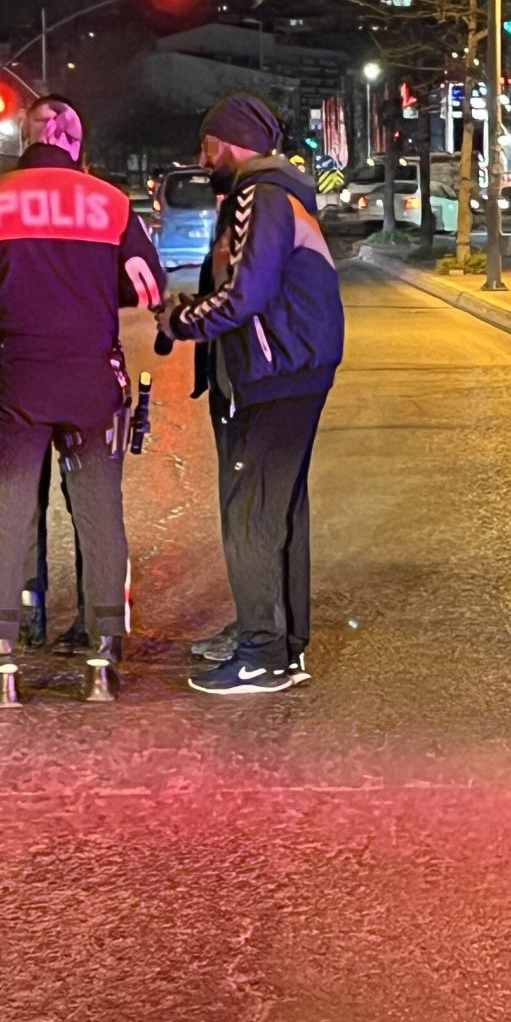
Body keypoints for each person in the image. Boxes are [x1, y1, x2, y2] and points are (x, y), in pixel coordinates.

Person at [0, 95, 163, 705]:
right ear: (76, 143)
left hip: (16, 379)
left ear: (26, 139)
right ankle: (103, 657)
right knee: (100, 514)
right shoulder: (111, 202)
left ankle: (1, 659)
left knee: (7, 513)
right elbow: (146, 287)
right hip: (93, 378)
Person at [164, 95, 344, 696]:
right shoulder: (277, 194)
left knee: (252, 514)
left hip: (273, 375)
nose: (202, 159)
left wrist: (180, 320)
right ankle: (275, 638)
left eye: (206, 145)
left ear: (225, 141)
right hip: (291, 371)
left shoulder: (259, 194)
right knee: (276, 511)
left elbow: (246, 294)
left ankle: (263, 655)